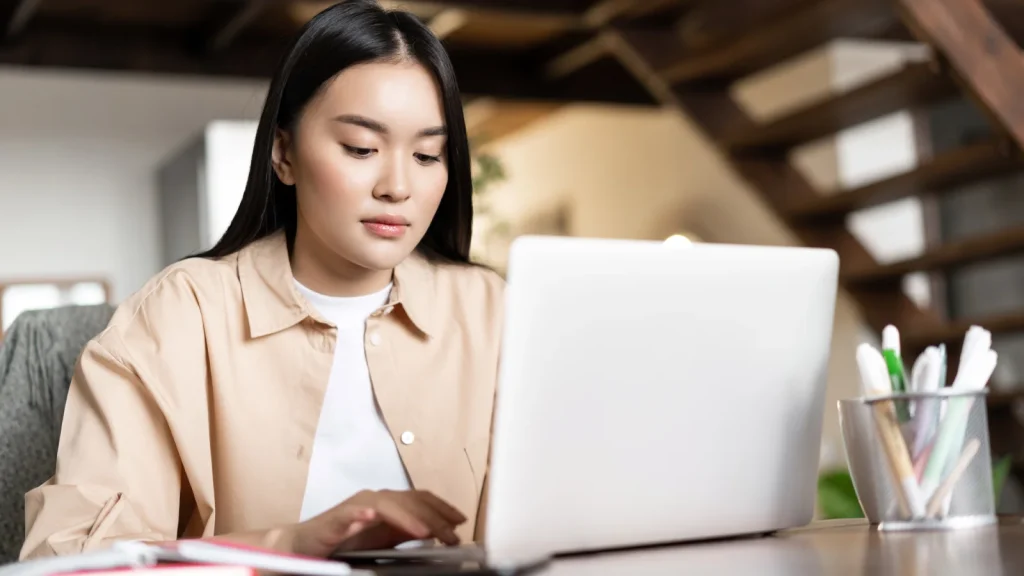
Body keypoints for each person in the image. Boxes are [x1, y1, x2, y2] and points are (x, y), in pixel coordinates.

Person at [20, 0, 504, 560]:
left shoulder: (493, 311)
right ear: (283, 153)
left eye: (427, 155)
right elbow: (75, 559)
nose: (398, 186)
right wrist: (286, 545)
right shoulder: (179, 316)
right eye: (361, 149)